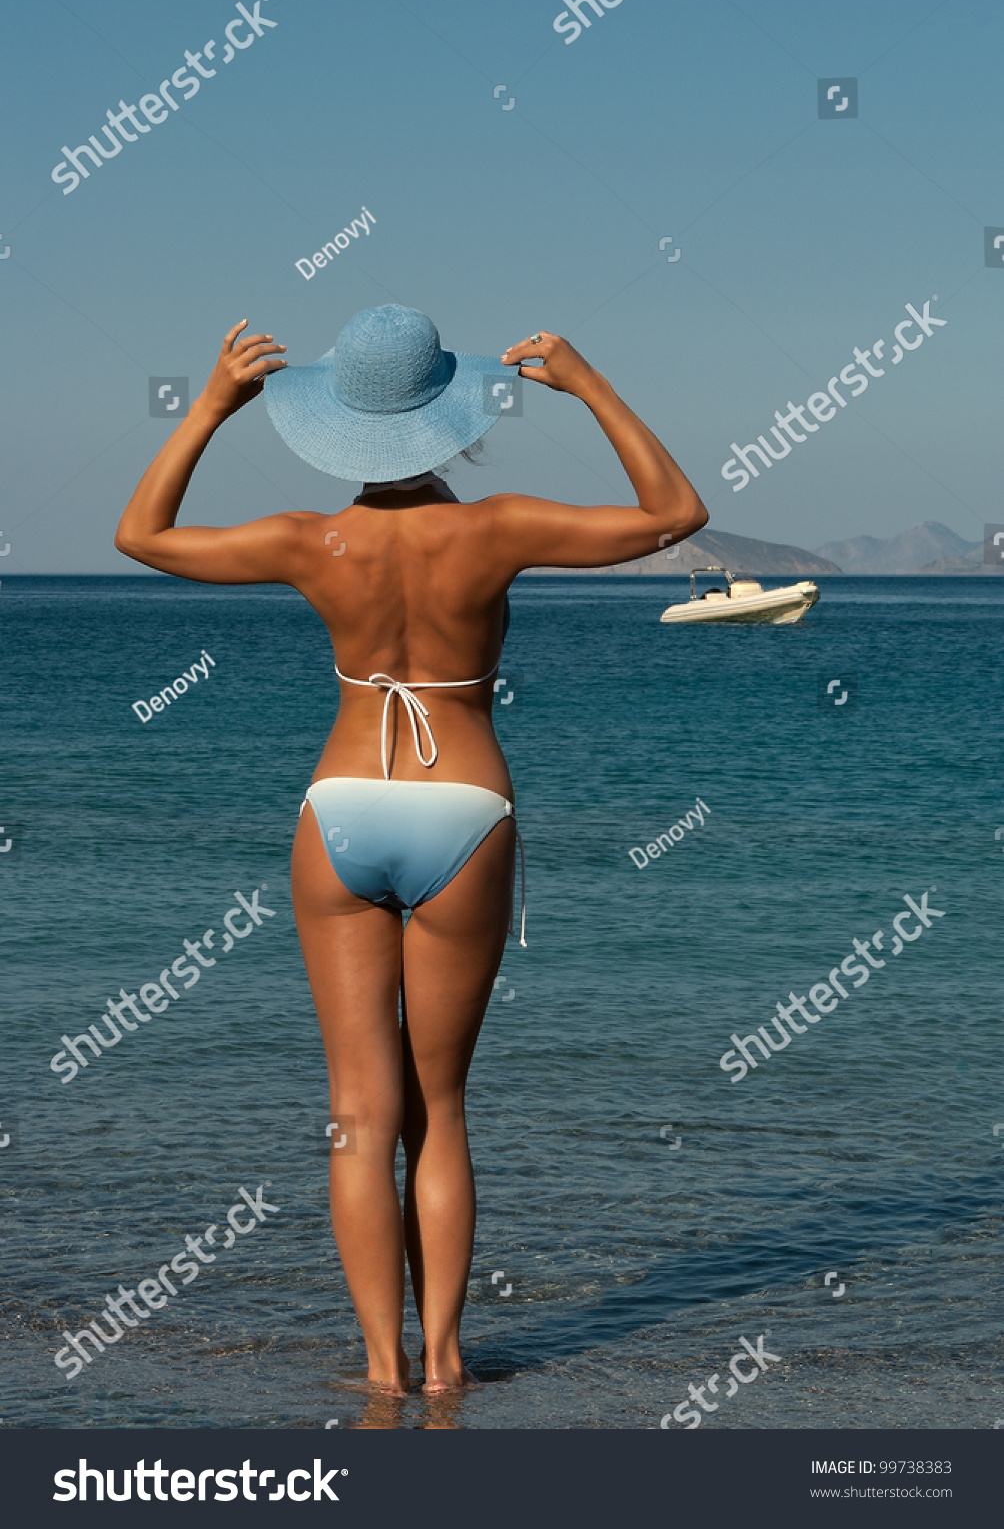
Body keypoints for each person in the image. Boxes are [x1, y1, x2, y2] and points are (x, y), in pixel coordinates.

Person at [115, 303, 708, 1395]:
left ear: (336, 424)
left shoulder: (309, 539)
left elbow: (140, 538)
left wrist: (208, 407)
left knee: (356, 1111)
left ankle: (379, 1373)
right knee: (439, 1108)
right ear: (450, 422)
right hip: (462, 811)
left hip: (339, 809)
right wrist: (586, 383)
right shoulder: (495, 530)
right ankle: (442, 1363)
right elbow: (674, 512)